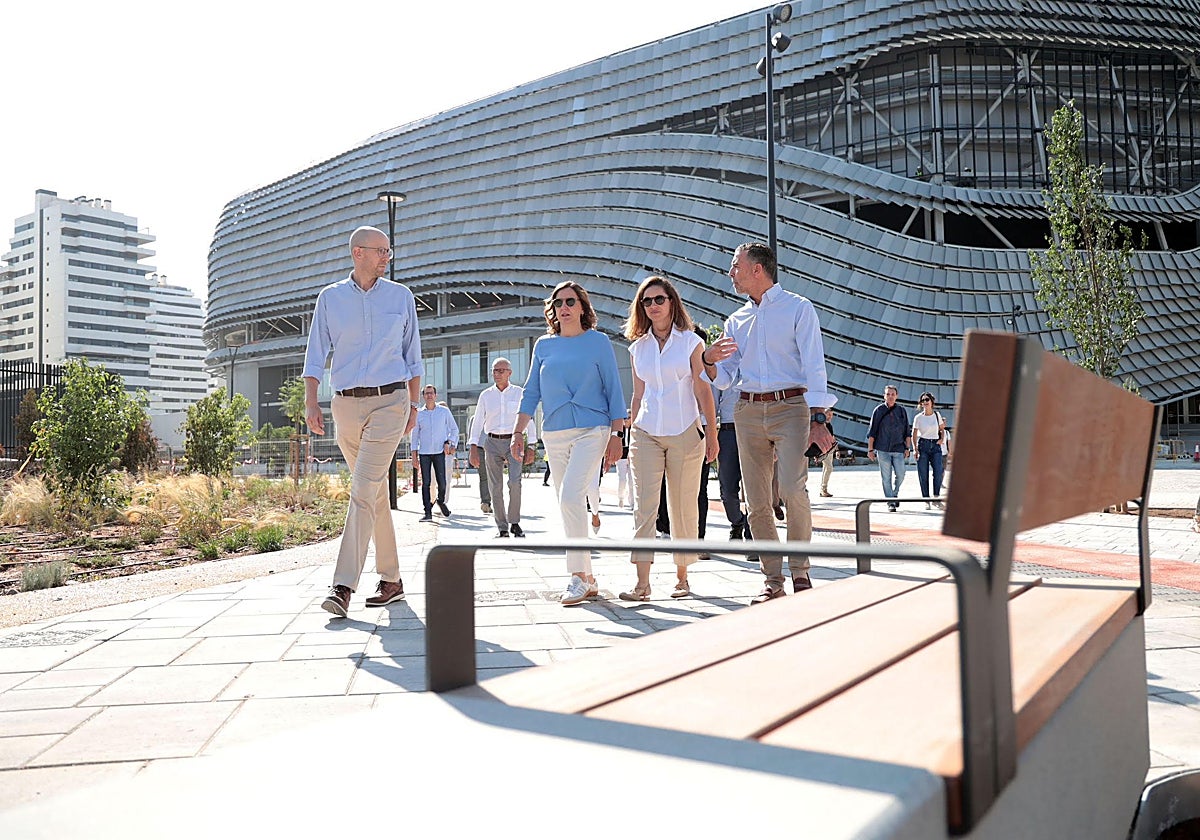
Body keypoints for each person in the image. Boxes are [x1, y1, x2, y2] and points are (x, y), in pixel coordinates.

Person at [701, 243, 836, 604]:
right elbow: (726, 378)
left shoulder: (798, 308)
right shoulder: (735, 320)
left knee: (792, 489)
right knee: (756, 500)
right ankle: (772, 580)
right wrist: (709, 360)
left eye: (736, 266)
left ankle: (801, 571)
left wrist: (819, 417)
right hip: (747, 410)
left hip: (791, 407)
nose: (731, 273)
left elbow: (815, 364)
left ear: (757, 269)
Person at [303, 225, 422, 618]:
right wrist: (311, 402)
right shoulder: (330, 298)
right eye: (380, 251)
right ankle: (392, 581)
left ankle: (342, 586)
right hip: (345, 405)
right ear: (358, 253)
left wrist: (414, 406)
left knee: (362, 489)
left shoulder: (401, 297)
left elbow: (413, 356)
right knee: (374, 495)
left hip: (391, 402)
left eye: (388, 251)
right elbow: (315, 353)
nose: (387, 257)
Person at [512, 281, 626, 606]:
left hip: (593, 429)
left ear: (582, 307)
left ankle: (576, 576)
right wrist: (518, 432)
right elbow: (531, 391)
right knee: (568, 504)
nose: (564, 307)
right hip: (555, 432)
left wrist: (617, 434)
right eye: (559, 302)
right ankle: (588, 577)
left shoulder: (598, 342)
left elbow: (614, 389)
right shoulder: (543, 346)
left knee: (571, 497)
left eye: (571, 302)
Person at [619, 277, 718, 602]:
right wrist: (629, 433)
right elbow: (638, 394)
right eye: (646, 301)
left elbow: (702, 389)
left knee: (683, 506)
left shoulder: (691, 342)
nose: (653, 306)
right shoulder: (638, 348)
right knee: (644, 507)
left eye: (659, 299)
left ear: (671, 302)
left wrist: (712, 433)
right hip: (646, 432)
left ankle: (682, 578)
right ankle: (642, 584)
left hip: (686, 431)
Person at [468, 357, 526, 537]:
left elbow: (527, 418)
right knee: (495, 486)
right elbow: (478, 421)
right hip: (492, 443)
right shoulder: (486, 395)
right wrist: (473, 446)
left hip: (513, 442)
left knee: (515, 482)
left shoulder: (519, 393)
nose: (498, 374)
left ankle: (514, 522)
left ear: (510, 373)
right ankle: (502, 527)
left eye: (502, 370)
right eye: (495, 370)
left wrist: (531, 444)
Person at [411, 384, 458, 522]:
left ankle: (440, 501)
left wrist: (450, 442)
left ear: (436, 395)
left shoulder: (444, 412)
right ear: (423, 396)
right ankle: (427, 512)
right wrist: (414, 456)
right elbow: (414, 436)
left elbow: (454, 429)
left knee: (442, 482)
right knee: (426, 483)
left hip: (439, 452)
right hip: (424, 453)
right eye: (427, 393)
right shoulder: (419, 414)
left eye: (431, 393)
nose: (429, 395)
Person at [714, 384, 752, 541]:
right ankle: (737, 522)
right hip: (728, 430)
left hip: (754, 428)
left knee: (755, 488)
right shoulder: (720, 368)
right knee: (727, 490)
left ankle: (752, 532)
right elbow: (713, 402)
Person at [866, 385, 912, 512]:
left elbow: (907, 431)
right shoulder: (878, 410)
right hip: (883, 449)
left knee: (901, 474)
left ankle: (894, 494)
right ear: (884, 396)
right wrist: (870, 450)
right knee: (886, 477)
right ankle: (890, 502)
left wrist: (907, 448)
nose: (890, 396)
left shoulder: (901, 411)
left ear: (896, 396)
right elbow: (872, 431)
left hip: (898, 448)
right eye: (888, 394)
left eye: (892, 394)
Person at [912, 391, 947, 509]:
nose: (925, 402)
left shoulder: (937, 415)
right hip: (923, 445)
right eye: (923, 400)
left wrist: (941, 439)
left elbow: (942, 429)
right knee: (923, 473)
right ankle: (926, 499)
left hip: (935, 446)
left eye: (927, 400)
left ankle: (936, 498)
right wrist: (915, 449)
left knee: (938, 471)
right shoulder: (918, 418)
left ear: (932, 402)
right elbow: (914, 433)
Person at [614, 419, 633, 509]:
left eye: (628, 418)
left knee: (632, 480)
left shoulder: (634, 428)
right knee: (622, 479)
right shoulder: (619, 429)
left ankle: (632, 502)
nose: (626, 420)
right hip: (621, 456)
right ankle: (621, 497)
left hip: (632, 456)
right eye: (624, 418)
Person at [818, 412, 837, 497]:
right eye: (828, 414)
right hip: (824, 449)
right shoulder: (821, 425)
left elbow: (832, 437)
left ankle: (823, 489)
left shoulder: (829, 425)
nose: (830, 416)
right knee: (829, 468)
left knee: (826, 468)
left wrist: (836, 449)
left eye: (831, 415)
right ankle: (823, 489)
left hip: (830, 449)